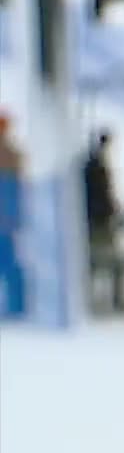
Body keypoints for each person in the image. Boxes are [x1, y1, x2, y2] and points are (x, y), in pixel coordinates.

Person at [83, 129, 124, 313]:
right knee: (114, 262)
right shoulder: (99, 167)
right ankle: (116, 301)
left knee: (94, 264)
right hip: (101, 222)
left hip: (92, 221)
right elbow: (104, 197)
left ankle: (90, 298)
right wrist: (114, 212)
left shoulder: (88, 164)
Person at [0, 111, 25, 317]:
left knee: (8, 263)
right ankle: (15, 306)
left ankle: (15, 306)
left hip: (7, 221)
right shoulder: (12, 153)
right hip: (8, 220)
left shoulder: (11, 152)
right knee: (9, 264)